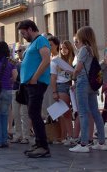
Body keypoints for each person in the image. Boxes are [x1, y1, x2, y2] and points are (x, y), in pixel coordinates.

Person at [69, 26, 107, 153]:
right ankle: (101, 142)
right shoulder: (92, 49)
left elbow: (78, 68)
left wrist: (73, 75)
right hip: (91, 85)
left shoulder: (83, 49)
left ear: (83, 37)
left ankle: (84, 144)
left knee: (83, 112)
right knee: (95, 112)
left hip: (83, 82)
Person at [17, 19, 51, 158]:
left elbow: (46, 60)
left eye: (24, 33)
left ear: (30, 29)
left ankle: (43, 147)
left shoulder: (41, 40)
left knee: (35, 114)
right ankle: (39, 143)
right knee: (33, 114)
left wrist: (35, 78)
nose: (23, 36)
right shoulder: (33, 44)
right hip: (30, 84)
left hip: (36, 84)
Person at [48, 37, 74, 146]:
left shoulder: (73, 60)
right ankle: (70, 137)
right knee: (65, 113)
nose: (64, 50)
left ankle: (66, 136)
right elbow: (53, 78)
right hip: (61, 86)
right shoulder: (56, 61)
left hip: (72, 87)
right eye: (62, 48)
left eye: (66, 48)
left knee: (67, 113)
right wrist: (54, 92)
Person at [10, 44, 30, 144]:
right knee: (16, 114)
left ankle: (26, 136)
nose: (18, 52)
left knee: (24, 114)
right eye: (17, 51)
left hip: (25, 90)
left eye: (20, 50)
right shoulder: (15, 64)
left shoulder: (28, 62)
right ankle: (18, 135)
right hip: (15, 90)